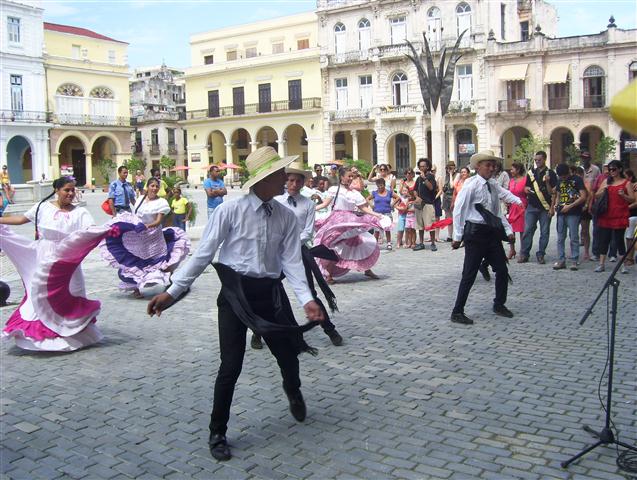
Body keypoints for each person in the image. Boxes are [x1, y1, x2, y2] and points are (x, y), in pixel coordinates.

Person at [146, 146, 325, 462]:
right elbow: (203, 254)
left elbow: (291, 261)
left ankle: (293, 390)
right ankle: (218, 432)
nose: (286, 178)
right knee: (230, 366)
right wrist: (172, 292)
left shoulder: (286, 216)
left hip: (270, 294)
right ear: (262, 179)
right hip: (234, 296)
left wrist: (308, 300)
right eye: (280, 174)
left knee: (288, 355)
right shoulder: (229, 211)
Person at [0, 176, 104, 351]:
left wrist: (109, 230)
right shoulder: (43, 207)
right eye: (66, 190)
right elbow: (21, 220)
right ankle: (43, 336)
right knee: (42, 294)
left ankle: (71, 333)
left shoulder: (80, 213)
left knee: (72, 291)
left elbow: (90, 230)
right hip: (45, 255)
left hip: (68, 259)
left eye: (73, 190)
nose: (71, 193)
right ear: (57, 190)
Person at [264, 163, 343, 347]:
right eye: (290, 180)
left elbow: (308, 231)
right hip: (274, 253)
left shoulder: (308, 204)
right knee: (268, 290)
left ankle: (329, 329)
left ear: (302, 183)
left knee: (309, 292)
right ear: (285, 181)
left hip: (298, 252)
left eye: (297, 181)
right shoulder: (275, 202)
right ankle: (260, 333)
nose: (293, 184)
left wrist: (290, 245)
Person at [450, 150, 523, 325]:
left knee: (502, 270)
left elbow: (499, 206)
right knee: (469, 274)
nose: (491, 168)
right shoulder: (471, 184)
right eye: (488, 165)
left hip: (491, 233)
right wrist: (457, 235)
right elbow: (459, 209)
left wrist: (519, 203)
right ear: (478, 166)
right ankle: (457, 311)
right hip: (475, 234)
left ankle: (499, 304)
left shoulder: (493, 184)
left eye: (493, 165)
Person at [101, 177, 190, 298]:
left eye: (156, 186)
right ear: (147, 187)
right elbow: (135, 216)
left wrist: (146, 226)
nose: (154, 188)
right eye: (152, 186)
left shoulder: (162, 203)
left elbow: (158, 221)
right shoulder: (140, 200)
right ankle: (136, 289)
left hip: (154, 237)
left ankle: (171, 284)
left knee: (160, 262)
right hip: (140, 237)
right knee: (135, 261)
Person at [314, 166, 384, 284]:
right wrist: (310, 209)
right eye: (349, 176)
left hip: (351, 221)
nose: (351, 178)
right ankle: (329, 275)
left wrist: (377, 214)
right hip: (336, 221)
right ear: (342, 177)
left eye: (352, 176)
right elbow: (325, 204)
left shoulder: (355, 193)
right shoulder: (334, 189)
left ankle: (367, 269)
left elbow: (364, 208)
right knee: (332, 246)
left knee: (360, 243)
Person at [593, 160, 635, 273]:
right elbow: (596, 195)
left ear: (620, 169)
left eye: (613, 169)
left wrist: (623, 195)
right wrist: (603, 191)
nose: (611, 171)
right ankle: (601, 264)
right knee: (604, 239)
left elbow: (632, 199)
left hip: (619, 214)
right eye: (610, 169)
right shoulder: (607, 181)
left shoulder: (626, 183)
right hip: (606, 214)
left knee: (619, 240)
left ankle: (622, 265)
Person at [518, 151, 557, 264]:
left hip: (545, 207)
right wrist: (526, 189)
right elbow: (526, 187)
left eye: (539, 160)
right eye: (535, 160)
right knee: (528, 230)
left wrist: (552, 207)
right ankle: (524, 254)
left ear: (544, 159)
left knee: (544, 232)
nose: (537, 162)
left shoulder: (551, 173)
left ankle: (541, 254)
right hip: (532, 205)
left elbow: (554, 193)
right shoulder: (531, 173)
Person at [552, 163, 588, 270]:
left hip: (573, 212)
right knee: (560, 238)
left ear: (568, 172)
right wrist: (556, 204)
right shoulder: (560, 181)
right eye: (560, 176)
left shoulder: (577, 180)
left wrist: (570, 206)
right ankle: (561, 260)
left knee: (574, 237)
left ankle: (574, 260)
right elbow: (558, 194)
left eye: (564, 175)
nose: (562, 178)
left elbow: (583, 196)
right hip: (561, 212)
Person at [367, 178, 399, 250]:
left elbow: (397, 197)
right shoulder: (374, 193)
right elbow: (367, 199)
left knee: (387, 229)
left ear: (384, 185)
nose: (380, 187)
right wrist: (371, 205)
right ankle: (375, 244)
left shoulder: (389, 192)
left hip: (387, 213)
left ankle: (389, 243)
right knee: (377, 230)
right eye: (378, 186)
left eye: (381, 185)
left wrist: (392, 204)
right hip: (377, 213)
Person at [413, 158, 437, 251]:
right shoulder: (418, 178)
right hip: (420, 204)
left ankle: (433, 243)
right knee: (420, 225)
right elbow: (415, 189)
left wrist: (425, 178)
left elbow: (431, 188)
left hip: (428, 204)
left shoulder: (431, 176)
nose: (422, 168)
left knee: (430, 225)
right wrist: (416, 197)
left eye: (423, 166)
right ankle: (421, 243)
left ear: (427, 167)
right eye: (420, 166)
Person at [506, 162, 527, 259]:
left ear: (518, 170)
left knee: (522, 230)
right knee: (511, 230)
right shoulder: (511, 181)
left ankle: (523, 251)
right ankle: (512, 249)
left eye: (512, 169)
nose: (511, 171)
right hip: (512, 207)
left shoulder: (525, 180)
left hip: (522, 206)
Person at [624, 169, 637, 266]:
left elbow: (635, 202)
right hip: (628, 214)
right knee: (629, 236)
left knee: (630, 236)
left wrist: (625, 208)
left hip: (633, 214)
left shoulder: (635, 186)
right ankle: (629, 257)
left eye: (625, 176)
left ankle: (630, 258)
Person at [441, 162, 457, 242]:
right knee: (449, 218)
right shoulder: (446, 176)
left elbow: (452, 186)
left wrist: (451, 174)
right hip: (446, 198)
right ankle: (450, 236)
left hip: (453, 198)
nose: (449, 170)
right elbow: (445, 187)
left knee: (456, 217)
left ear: (454, 168)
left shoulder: (456, 175)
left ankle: (457, 235)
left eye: (451, 168)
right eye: (448, 168)